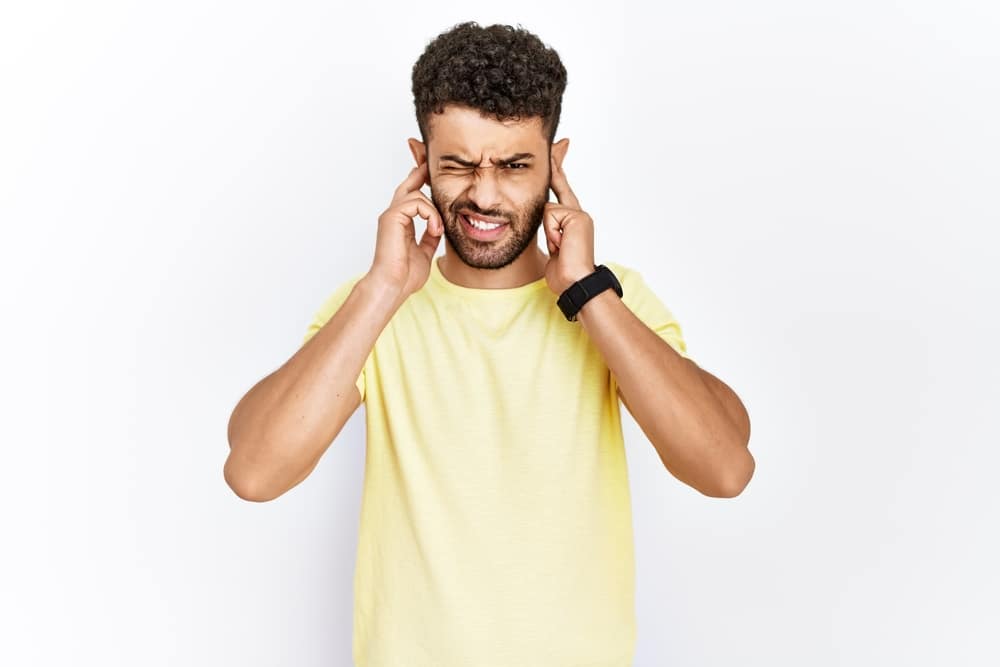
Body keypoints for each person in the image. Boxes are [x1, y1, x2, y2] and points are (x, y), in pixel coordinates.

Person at [225, 20, 753, 667]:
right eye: (458, 164)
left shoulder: (613, 301)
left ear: (555, 165)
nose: (483, 193)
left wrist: (585, 290)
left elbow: (726, 469)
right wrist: (384, 288)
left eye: (513, 165)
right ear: (421, 161)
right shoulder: (373, 306)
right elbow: (253, 472)